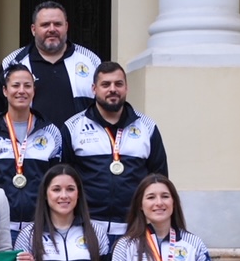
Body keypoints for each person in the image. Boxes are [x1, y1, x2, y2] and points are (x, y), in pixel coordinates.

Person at [62, 61, 168, 238]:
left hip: (135, 229)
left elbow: (159, 179)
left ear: (126, 88)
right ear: (94, 89)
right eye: (105, 84)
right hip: (86, 229)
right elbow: (63, 181)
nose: (113, 89)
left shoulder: (147, 127)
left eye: (118, 84)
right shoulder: (73, 127)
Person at [0, 65, 63, 237]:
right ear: (5, 91)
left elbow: (56, 182)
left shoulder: (51, 133)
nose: (21, 91)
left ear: (33, 91)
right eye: (15, 86)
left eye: (27, 86)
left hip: (40, 228)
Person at [0, 1, 101, 124]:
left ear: (66, 27)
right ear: (33, 29)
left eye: (58, 24)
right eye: (45, 25)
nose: (52, 29)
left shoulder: (91, 61)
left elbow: (103, 107)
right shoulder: (12, 63)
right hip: (29, 142)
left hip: (78, 142)